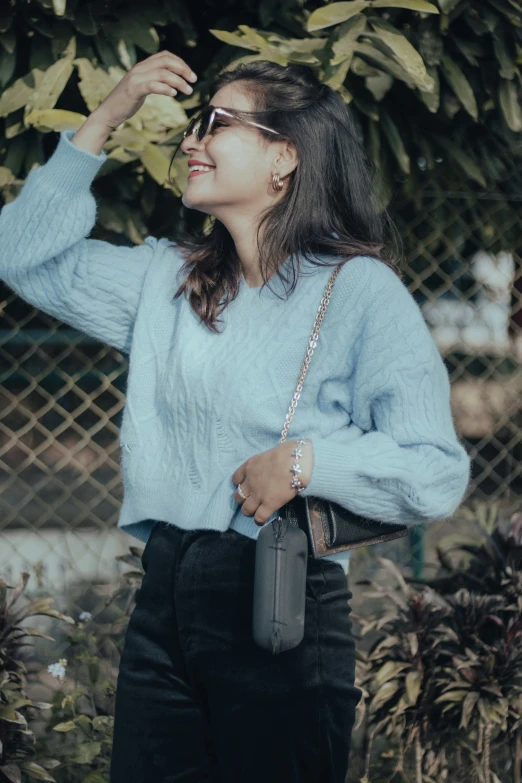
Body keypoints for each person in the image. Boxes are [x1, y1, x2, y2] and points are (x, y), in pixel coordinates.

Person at [0, 51, 472, 782]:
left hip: (280, 597)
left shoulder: (358, 292)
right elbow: (17, 252)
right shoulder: (169, 281)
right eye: (196, 123)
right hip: (166, 593)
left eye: (217, 123)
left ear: (284, 157)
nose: (192, 141)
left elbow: (435, 471)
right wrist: (107, 115)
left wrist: (307, 462)